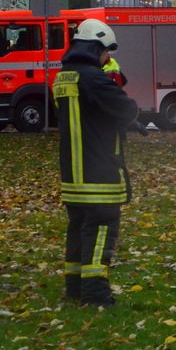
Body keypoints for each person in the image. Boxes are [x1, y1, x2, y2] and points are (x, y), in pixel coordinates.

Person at [53, 19, 139, 307]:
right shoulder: (93, 78)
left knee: (78, 230)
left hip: (72, 174)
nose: (107, 58)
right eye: (105, 52)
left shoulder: (63, 78)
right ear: (93, 48)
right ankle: (95, 293)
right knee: (101, 228)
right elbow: (125, 108)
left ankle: (74, 288)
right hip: (98, 171)